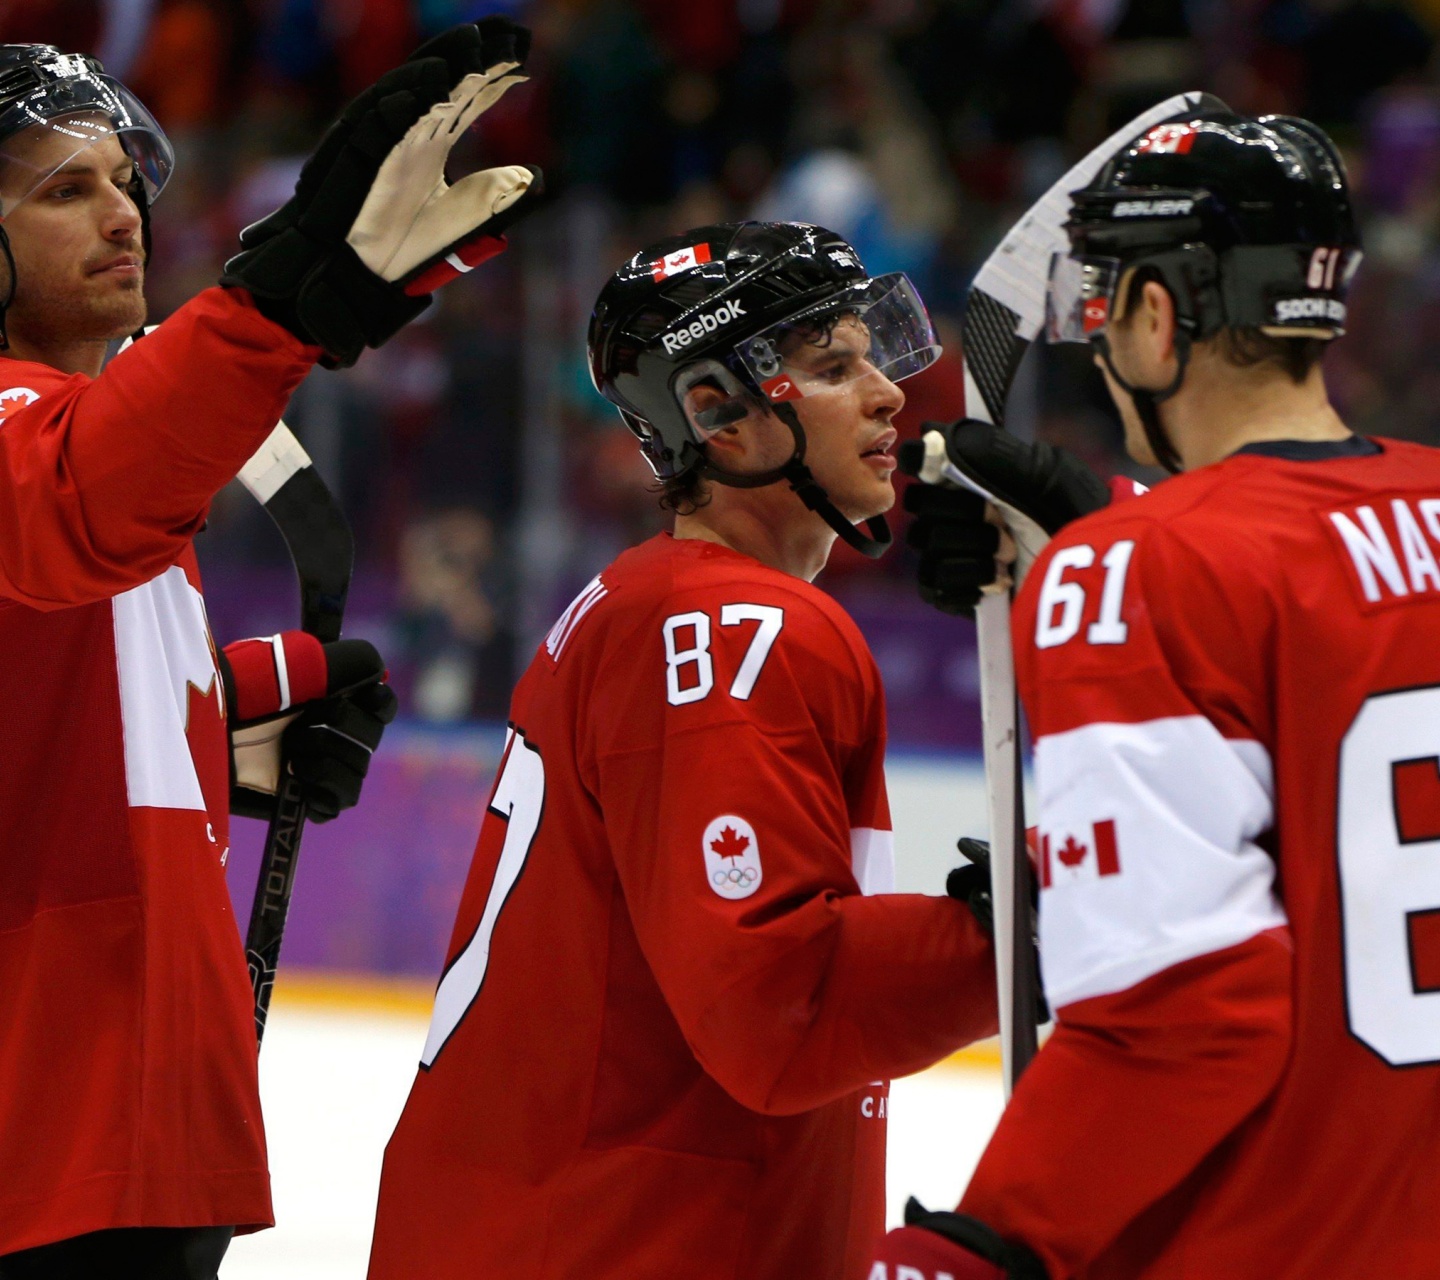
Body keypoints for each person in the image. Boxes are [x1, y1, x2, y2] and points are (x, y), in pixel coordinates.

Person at [0, 27, 539, 1277]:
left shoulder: (104, 444)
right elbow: (67, 513)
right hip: (44, 1131)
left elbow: (68, 717)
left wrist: (238, 721)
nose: (122, 209)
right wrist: (291, 297)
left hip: (140, 1121)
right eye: (63, 188)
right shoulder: (56, 445)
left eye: (125, 181)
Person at [368, 222, 1000, 1280]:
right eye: (834, 365)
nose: (890, 392)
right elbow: (777, 1010)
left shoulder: (648, 600)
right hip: (620, 1239)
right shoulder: (734, 628)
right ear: (717, 412)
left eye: (873, 355)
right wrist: (1022, 942)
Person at [871, 110, 1440, 1278]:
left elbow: (1182, 1013)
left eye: (1104, 308)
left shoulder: (1130, 573)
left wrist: (980, 1249)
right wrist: (1110, 520)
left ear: (1153, 312)